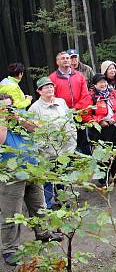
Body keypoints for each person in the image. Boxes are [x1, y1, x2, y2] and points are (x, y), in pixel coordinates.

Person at [0, 97, 63, 266]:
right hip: (11, 174)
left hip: (32, 168)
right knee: (11, 213)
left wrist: (18, 118)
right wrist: (3, 119)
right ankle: (9, 249)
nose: (8, 109)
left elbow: (37, 127)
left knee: (39, 205)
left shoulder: (19, 115)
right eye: (4, 107)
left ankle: (43, 233)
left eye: (10, 106)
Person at [28, 77, 77, 208]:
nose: (50, 89)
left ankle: (63, 201)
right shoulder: (34, 109)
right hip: (47, 152)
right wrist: (43, 148)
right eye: (46, 87)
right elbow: (33, 132)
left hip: (65, 148)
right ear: (39, 91)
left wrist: (73, 137)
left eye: (51, 86)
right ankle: (47, 206)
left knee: (63, 176)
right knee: (48, 179)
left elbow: (70, 121)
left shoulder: (61, 102)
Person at [86, 73, 116, 186]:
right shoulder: (91, 96)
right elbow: (86, 115)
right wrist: (99, 121)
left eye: (104, 81)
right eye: (100, 82)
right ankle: (103, 179)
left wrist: (114, 119)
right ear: (95, 84)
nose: (103, 84)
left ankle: (114, 176)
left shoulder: (112, 93)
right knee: (103, 155)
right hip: (100, 131)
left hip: (114, 126)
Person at [50, 51, 92, 155]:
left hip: (80, 114)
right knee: (67, 142)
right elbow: (51, 98)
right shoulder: (52, 78)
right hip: (63, 116)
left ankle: (89, 167)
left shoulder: (79, 76)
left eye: (67, 58)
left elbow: (86, 95)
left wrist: (76, 109)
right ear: (57, 62)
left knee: (84, 141)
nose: (66, 60)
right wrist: (64, 111)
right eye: (62, 58)